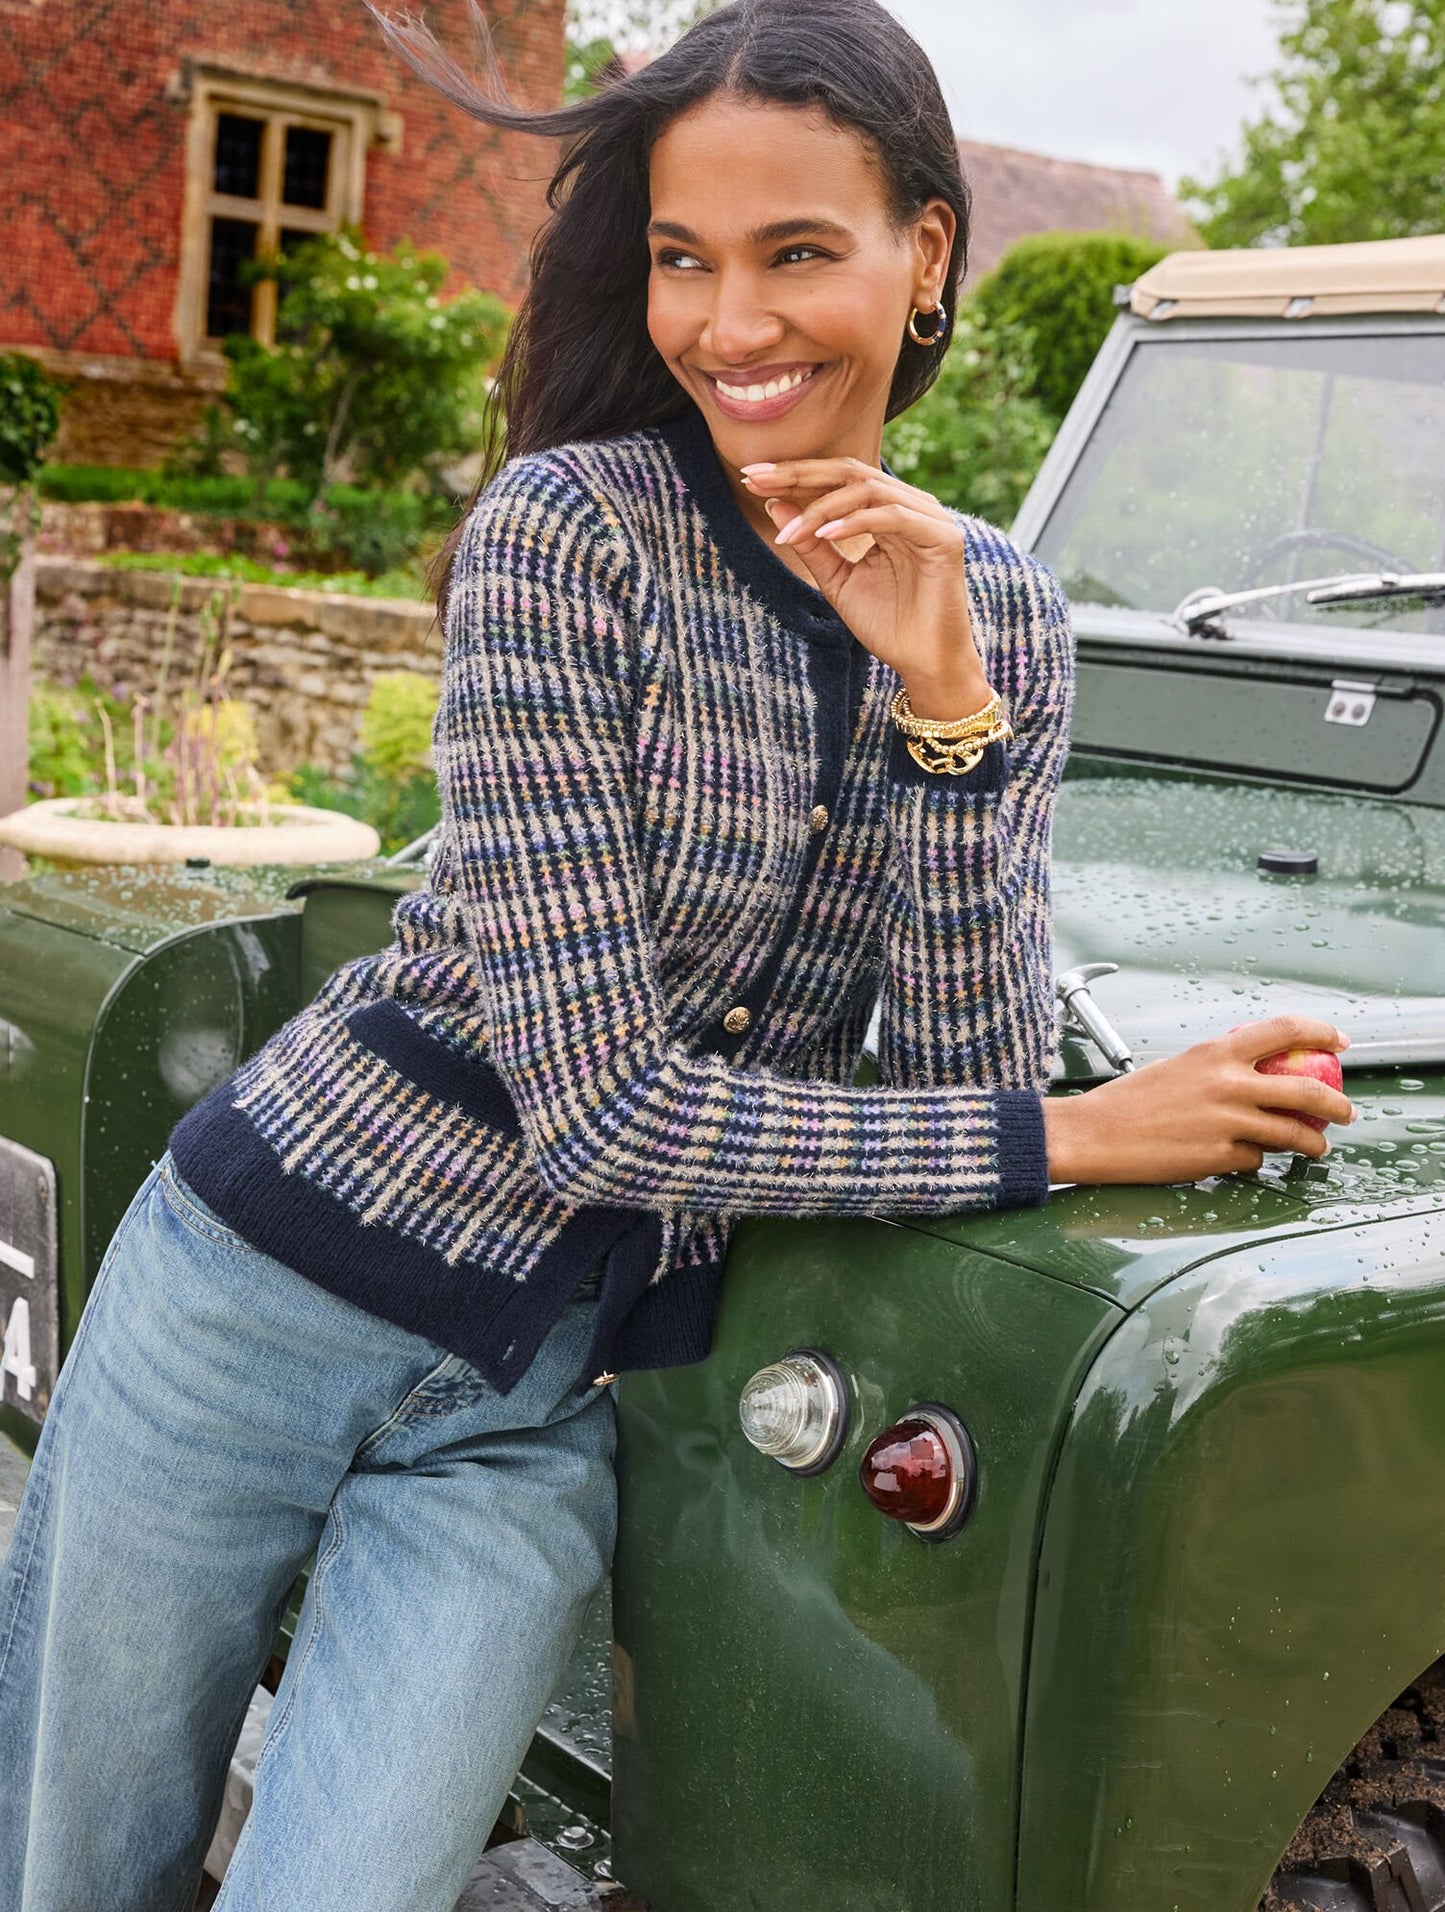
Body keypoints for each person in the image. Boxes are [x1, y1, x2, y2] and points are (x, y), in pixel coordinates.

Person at [0, 0, 1354, 1905]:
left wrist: (941, 704)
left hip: (541, 1407)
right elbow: (602, 1114)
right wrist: (1079, 1134)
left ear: (924, 252)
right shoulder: (569, 539)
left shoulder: (1005, 618)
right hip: (254, 1299)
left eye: (796, 251)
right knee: (74, 1869)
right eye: (682, 258)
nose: (731, 323)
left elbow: (956, 1074)